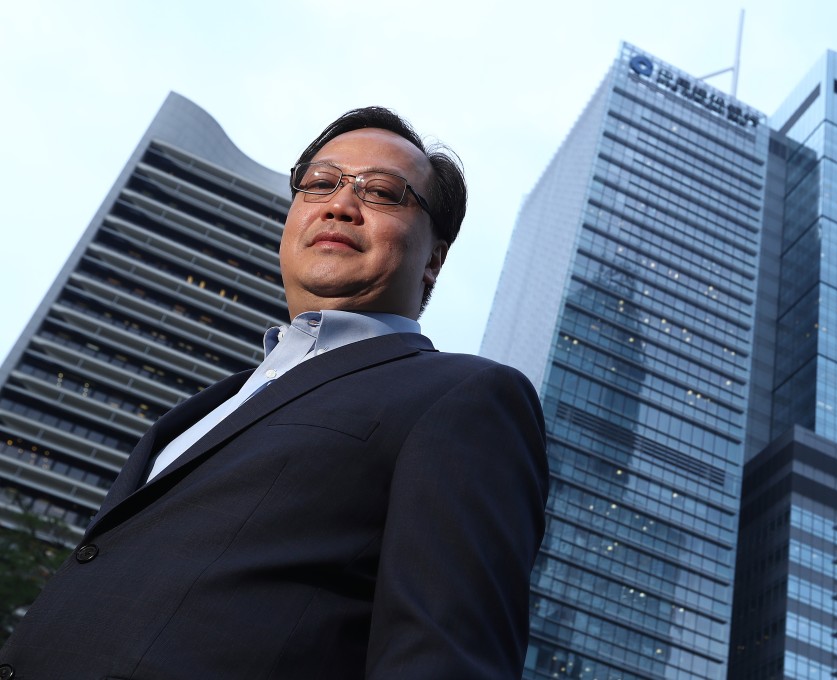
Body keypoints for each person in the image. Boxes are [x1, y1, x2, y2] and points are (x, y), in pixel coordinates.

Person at [0, 107, 548, 679]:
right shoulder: (206, 409)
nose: (339, 204)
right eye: (319, 183)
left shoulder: (464, 396)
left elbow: (447, 658)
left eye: (382, 192)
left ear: (433, 257)